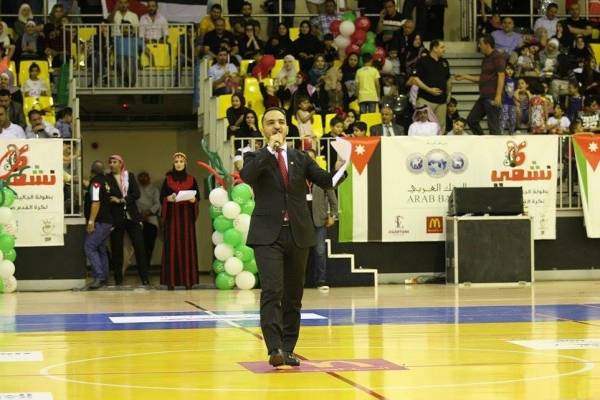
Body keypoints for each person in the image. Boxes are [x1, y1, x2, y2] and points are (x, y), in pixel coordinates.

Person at [240, 107, 345, 368]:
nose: (277, 126)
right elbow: (247, 176)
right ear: (263, 129)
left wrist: (341, 167)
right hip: (267, 235)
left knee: (293, 295)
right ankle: (274, 347)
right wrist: (269, 150)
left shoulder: (301, 158)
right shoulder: (255, 156)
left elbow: (327, 181)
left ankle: (287, 348)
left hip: (298, 233)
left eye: (281, 122)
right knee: (272, 290)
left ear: (288, 128)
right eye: (271, 123)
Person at [106, 154, 150, 286]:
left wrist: (122, 200)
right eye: (110, 162)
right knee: (116, 249)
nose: (112, 164)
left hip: (132, 216)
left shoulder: (129, 176)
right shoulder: (107, 178)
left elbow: (136, 193)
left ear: (121, 164)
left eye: (114, 162)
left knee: (140, 247)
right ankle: (118, 279)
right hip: (116, 218)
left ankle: (144, 278)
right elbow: (107, 196)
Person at [160, 152, 200, 289]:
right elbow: (162, 198)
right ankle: (171, 281)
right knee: (172, 246)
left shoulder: (192, 179)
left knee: (187, 246)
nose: (178, 164)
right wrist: (168, 199)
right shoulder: (167, 180)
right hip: (172, 218)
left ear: (185, 163)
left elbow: (197, 197)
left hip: (186, 219)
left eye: (181, 161)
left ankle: (188, 281)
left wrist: (194, 200)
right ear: (173, 163)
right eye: (176, 161)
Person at [456, 34, 505, 135]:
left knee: (493, 126)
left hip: (492, 96)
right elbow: (482, 78)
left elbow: (501, 75)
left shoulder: (497, 56)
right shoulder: (485, 59)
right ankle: (484, 140)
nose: (479, 46)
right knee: (472, 120)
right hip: (484, 96)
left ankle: (495, 145)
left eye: (480, 43)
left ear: (487, 44)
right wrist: (465, 76)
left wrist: (498, 95)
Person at [305, 148, 337, 291]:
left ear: (315, 159)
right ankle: (300, 281)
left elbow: (332, 199)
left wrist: (333, 215)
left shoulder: (322, 176)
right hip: (302, 222)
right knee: (301, 253)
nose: (309, 160)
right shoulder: (296, 176)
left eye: (312, 158)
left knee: (320, 251)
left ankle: (321, 280)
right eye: (306, 158)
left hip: (319, 220)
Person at [84, 160, 113, 289]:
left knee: (89, 247)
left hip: (100, 221)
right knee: (101, 249)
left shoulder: (95, 183)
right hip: (107, 221)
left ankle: (99, 277)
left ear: (92, 171)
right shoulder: (105, 182)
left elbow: (96, 202)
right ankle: (104, 277)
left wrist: (91, 221)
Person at [411, 39, 451, 133]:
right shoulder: (422, 61)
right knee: (422, 127)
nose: (444, 49)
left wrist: (449, 93)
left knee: (440, 129)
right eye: (442, 47)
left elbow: (448, 79)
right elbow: (415, 79)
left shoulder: (444, 62)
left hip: (441, 101)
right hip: (426, 100)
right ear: (435, 48)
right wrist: (429, 89)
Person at [137, 171, 161, 266]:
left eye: (145, 177)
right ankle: (141, 265)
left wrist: (148, 212)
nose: (143, 179)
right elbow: (134, 203)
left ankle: (146, 265)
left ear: (149, 178)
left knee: (149, 244)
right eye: (141, 178)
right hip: (139, 219)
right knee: (140, 245)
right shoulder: (136, 190)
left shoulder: (154, 190)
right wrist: (141, 214)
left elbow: (157, 204)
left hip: (151, 219)